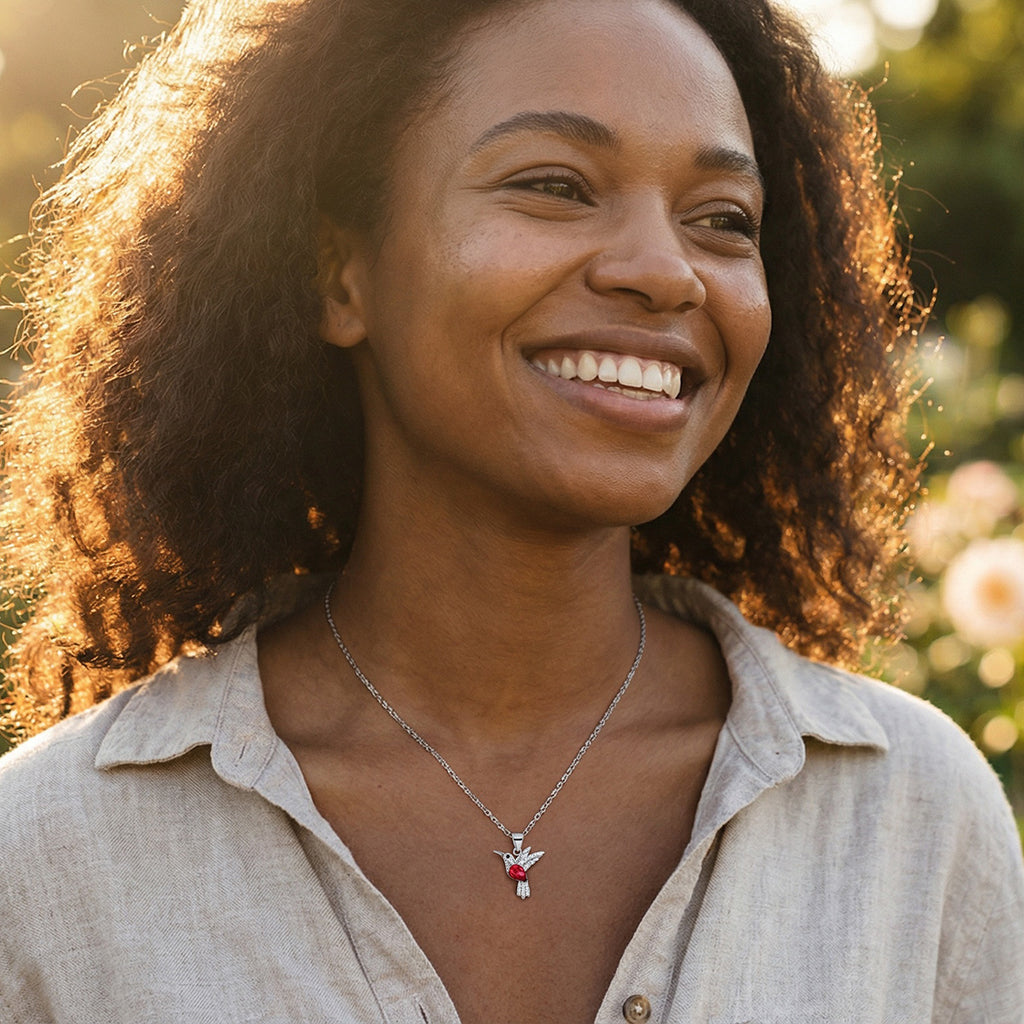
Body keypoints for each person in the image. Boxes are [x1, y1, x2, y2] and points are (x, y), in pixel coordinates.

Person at [1, 0, 1022, 1020]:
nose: (666, 272)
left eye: (721, 219)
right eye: (554, 186)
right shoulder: (49, 857)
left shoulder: (910, 821)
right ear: (336, 273)